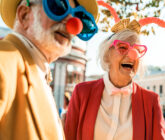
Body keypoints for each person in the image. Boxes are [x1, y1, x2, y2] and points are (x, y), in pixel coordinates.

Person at [0, 0, 98, 139]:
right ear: (24, 14)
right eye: (58, 6)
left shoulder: (41, 75)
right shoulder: (4, 59)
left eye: (79, 17)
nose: (71, 22)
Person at [64, 19, 165, 140]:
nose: (132, 55)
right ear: (107, 54)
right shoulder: (82, 92)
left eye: (137, 50)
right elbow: (68, 136)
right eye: (123, 47)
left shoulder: (151, 101)